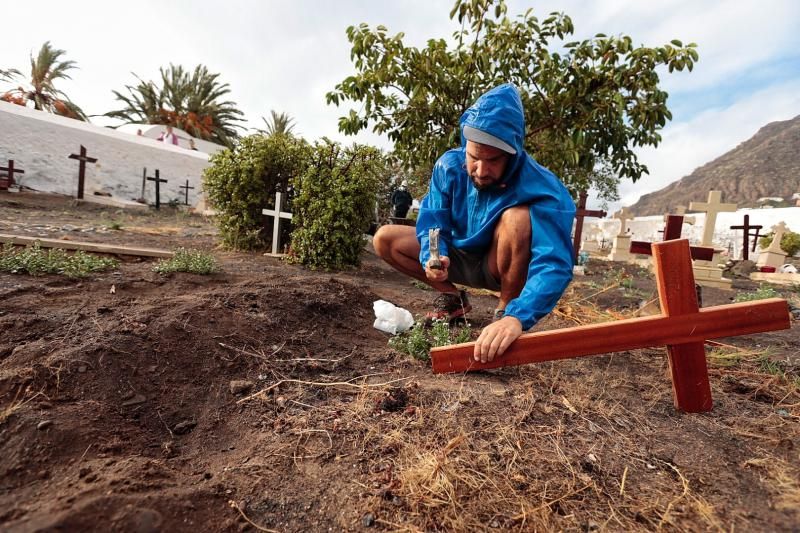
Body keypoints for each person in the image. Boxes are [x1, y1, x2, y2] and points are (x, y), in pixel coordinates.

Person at [373, 83, 575, 363]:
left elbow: (553, 263)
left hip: (499, 265)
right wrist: (434, 255)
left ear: (512, 153)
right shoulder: (448, 166)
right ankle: (453, 300)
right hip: (456, 257)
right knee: (385, 238)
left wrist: (520, 317)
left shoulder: (545, 188)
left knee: (517, 220)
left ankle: (503, 315)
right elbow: (432, 222)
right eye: (474, 157)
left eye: (492, 161)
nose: (480, 170)